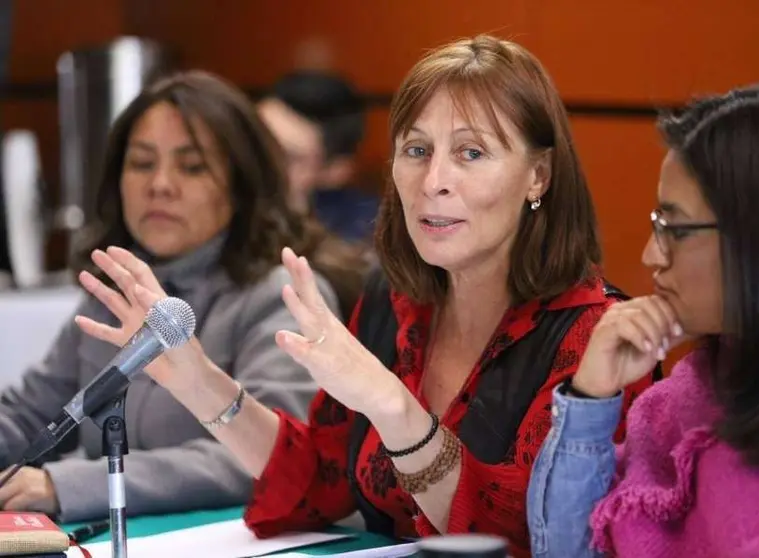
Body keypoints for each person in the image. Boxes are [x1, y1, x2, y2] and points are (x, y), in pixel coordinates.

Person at [77, 36, 653, 557]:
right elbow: (318, 477)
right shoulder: (397, 303)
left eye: (471, 153)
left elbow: (533, 540)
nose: (434, 183)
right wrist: (198, 380)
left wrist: (394, 407)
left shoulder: (599, 339)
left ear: (539, 176)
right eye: (417, 150)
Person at [0, 70, 366, 522]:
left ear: (239, 184)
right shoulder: (117, 287)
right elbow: (29, 414)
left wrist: (70, 485)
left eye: (191, 167)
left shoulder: (279, 297)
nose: (160, 185)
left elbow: (264, 458)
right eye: (141, 163)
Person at [526, 83, 759, 557]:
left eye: (675, 229)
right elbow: (562, 551)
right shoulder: (686, 397)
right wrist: (590, 396)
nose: (651, 255)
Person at [257, 70, 380, 244]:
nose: (259, 160)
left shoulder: (367, 236)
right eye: (254, 139)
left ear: (336, 171)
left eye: (287, 157)